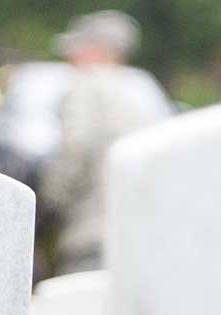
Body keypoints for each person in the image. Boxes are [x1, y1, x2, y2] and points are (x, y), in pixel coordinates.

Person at [39, 11, 164, 275]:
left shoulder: (86, 88)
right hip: (142, 233)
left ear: (97, 50)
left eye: (75, 50)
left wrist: (49, 199)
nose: (69, 59)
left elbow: (75, 149)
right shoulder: (144, 91)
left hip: (90, 234)